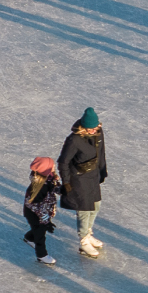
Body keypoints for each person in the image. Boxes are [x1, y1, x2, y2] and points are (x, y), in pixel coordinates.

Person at [58, 108, 107, 258]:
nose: (93, 130)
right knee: (84, 210)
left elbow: (101, 152)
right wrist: (66, 182)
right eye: (90, 128)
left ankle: (88, 232)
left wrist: (103, 170)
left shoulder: (98, 133)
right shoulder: (74, 140)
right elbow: (63, 162)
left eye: (96, 127)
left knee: (96, 205)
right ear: (83, 127)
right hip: (78, 179)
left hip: (93, 176)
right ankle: (83, 241)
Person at [24, 157, 61, 265]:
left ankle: (29, 238)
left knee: (38, 230)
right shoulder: (38, 188)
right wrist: (46, 221)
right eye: (52, 166)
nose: (54, 166)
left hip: (44, 211)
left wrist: (63, 189)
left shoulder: (49, 178)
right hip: (35, 215)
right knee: (40, 234)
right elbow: (33, 205)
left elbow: (53, 187)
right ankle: (42, 255)